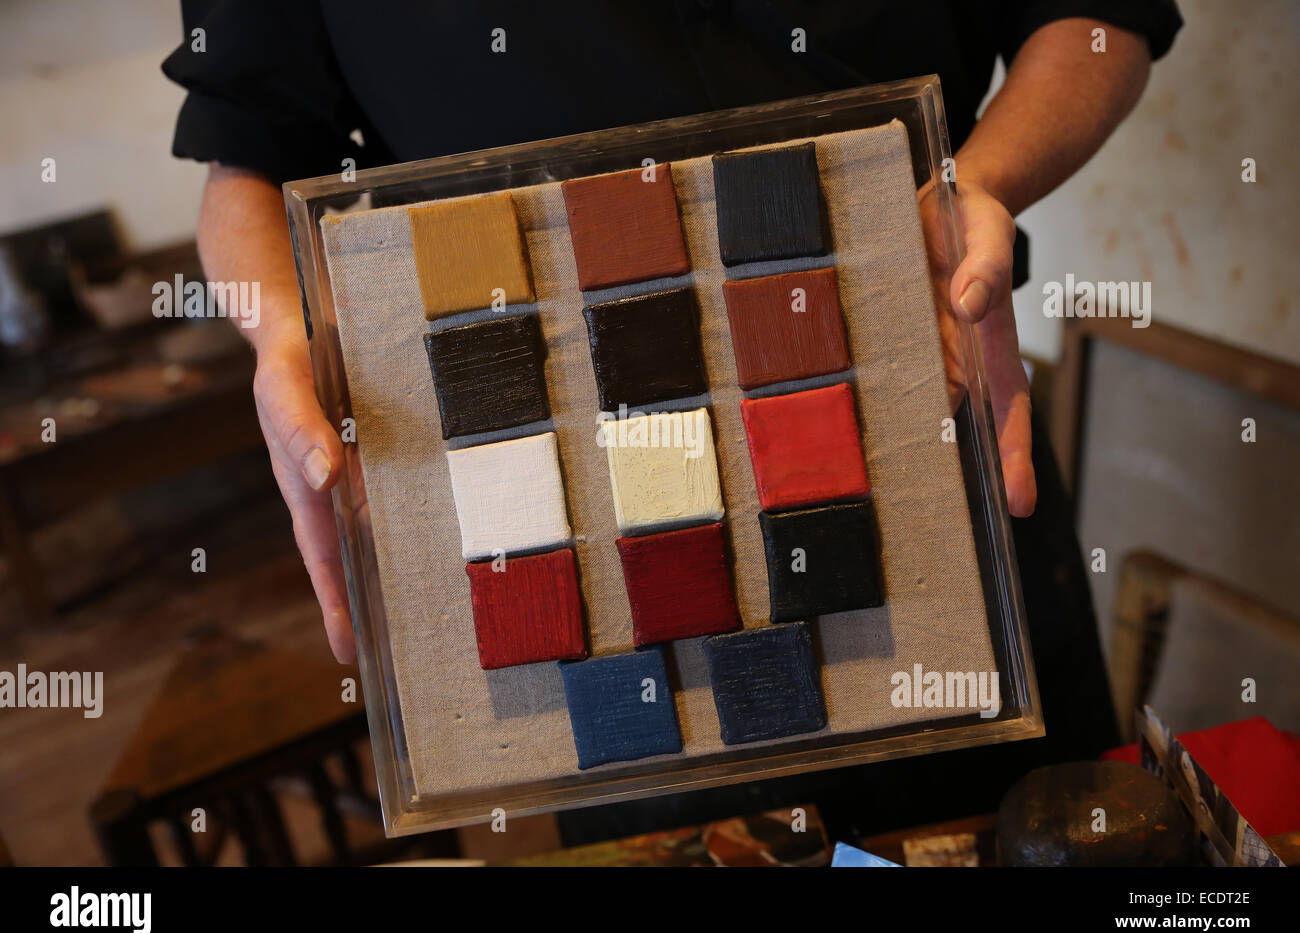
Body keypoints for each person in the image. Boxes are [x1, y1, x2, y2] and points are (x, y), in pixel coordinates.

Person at [164, 1, 1182, 839]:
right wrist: (283, 336)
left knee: (1027, 836)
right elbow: (245, 155)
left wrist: (978, 181)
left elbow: (1098, 21)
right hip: (552, 498)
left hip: (925, 408)